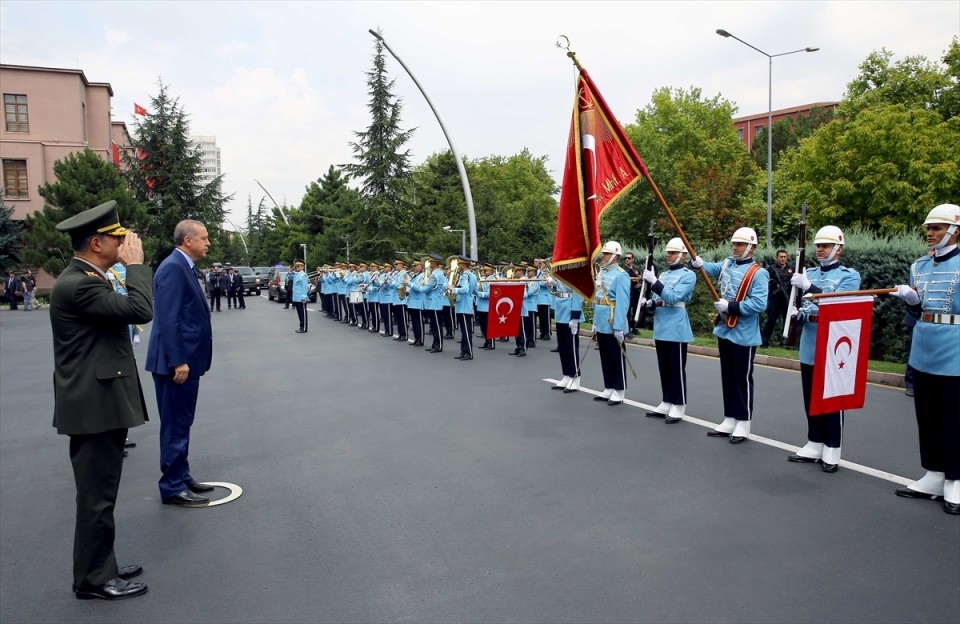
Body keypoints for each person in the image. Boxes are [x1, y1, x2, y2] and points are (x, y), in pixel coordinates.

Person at [50, 200, 152, 600]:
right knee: (96, 498)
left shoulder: (90, 277)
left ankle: (101, 562)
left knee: (102, 492)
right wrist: (137, 266)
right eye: (116, 237)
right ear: (96, 243)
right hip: (94, 406)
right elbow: (140, 309)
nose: (124, 242)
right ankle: (93, 579)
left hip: (99, 401)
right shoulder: (80, 284)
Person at [890, 203, 960, 515]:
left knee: (952, 418)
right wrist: (913, 302)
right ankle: (933, 472)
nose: (930, 233)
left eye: (937, 228)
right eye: (929, 228)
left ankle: (956, 478)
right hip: (924, 345)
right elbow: (917, 312)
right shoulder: (919, 266)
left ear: (954, 231)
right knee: (927, 414)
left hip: (954, 347)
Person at [145, 220, 214, 507]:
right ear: (188, 241)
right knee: (174, 424)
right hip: (176, 365)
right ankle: (172, 486)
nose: (208, 243)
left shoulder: (184, 265)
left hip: (185, 362)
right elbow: (169, 319)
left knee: (182, 422)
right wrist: (178, 361)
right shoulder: (173, 268)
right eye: (204, 238)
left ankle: (181, 475)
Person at [785, 226, 860, 472]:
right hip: (810, 338)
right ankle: (814, 440)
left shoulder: (849, 276)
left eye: (825, 246)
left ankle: (832, 446)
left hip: (834, 341)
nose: (820, 250)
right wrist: (798, 315)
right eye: (818, 246)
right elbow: (807, 307)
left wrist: (810, 287)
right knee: (811, 394)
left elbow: (837, 303)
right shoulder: (811, 273)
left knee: (831, 397)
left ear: (838, 249)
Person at [692, 227, 769, 444]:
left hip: (744, 332)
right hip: (725, 329)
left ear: (751, 247)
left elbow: (759, 303)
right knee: (727, 375)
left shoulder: (758, 273)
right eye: (734, 244)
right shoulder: (727, 263)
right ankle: (730, 417)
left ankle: (743, 421)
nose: (735, 247)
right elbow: (710, 269)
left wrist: (731, 305)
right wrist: (698, 263)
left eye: (740, 244)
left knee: (741, 378)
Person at [641, 238, 697, 423]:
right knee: (664, 367)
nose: (669, 256)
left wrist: (654, 282)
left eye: (672, 253)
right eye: (668, 253)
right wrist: (649, 303)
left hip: (676, 326)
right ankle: (667, 400)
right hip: (662, 324)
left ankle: (679, 404)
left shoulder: (688, 275)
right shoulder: (664, 275)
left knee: (676, 368)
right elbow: (659, 299)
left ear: (682, 255)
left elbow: (673, 297)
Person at [593, 241, 632, 405]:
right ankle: (608, 386)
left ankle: (619, 389)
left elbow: (623, 302)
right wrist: (595, 322)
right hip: (602, 319)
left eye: (606, 254)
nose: (604, 257)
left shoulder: (621, 275)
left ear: (615, 256)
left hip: (613, 319)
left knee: (616, 356)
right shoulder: (602, 273)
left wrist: (619, 326)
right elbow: (598, 299)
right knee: (605, 356)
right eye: (603, 254)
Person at [549, 273, 584, 392]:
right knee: (563, 347)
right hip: (560, 311)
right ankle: (566, 374)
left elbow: (578, 295)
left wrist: (575, 316)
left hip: (569, 312)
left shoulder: (575, 274)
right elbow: (561, 288)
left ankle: (575, 376)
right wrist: (554, 284)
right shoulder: (562, 273)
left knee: (571, 348)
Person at [761, 249, 793, 347]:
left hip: (787, 298)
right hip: (775, 298)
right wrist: (774, 284)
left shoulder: (791, 269)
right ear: (777, 258)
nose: (783, 259)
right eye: (781, 257)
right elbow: (764, 281)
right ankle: (764, 342)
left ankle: (787, 343)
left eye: (785, 257)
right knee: (771, 321)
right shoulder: (771, 269)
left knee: (788, 322)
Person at [448, 256, 477, 360]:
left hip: (464, 306)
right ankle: (463, 351)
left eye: (460, 264)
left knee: (466, 331)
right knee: (464, 331)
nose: (458, 266)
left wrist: (453, 289)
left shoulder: (466, 276)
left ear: (464, 265)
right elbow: (475, 291)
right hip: (465, 305)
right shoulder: (472, 275)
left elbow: (465, 290)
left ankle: (468, 353)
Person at [623, 252, 642, 335]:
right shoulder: (623, 269)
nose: (627, 259)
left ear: (633, 259)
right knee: (627, 312)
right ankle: (628, 329)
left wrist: (640, 283)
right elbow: (624, 278)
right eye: (626, 258)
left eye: (629, 258)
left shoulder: (636, 269)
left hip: (636, 293)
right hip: (628, 293)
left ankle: (635, 328)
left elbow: (641, 278)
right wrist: (634, 278)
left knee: (636, 311)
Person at [292, 260, 310, 333]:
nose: (297, 267)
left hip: (301, 298)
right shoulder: (296, 274)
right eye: (296, 266)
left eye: (299, 266)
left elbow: (304, 287)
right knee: (299, 313)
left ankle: (303, 327)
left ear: (302, 267)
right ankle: (301, 326)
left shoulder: (303, 275)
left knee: (302, 313)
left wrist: (304, 298)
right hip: (296, 297)